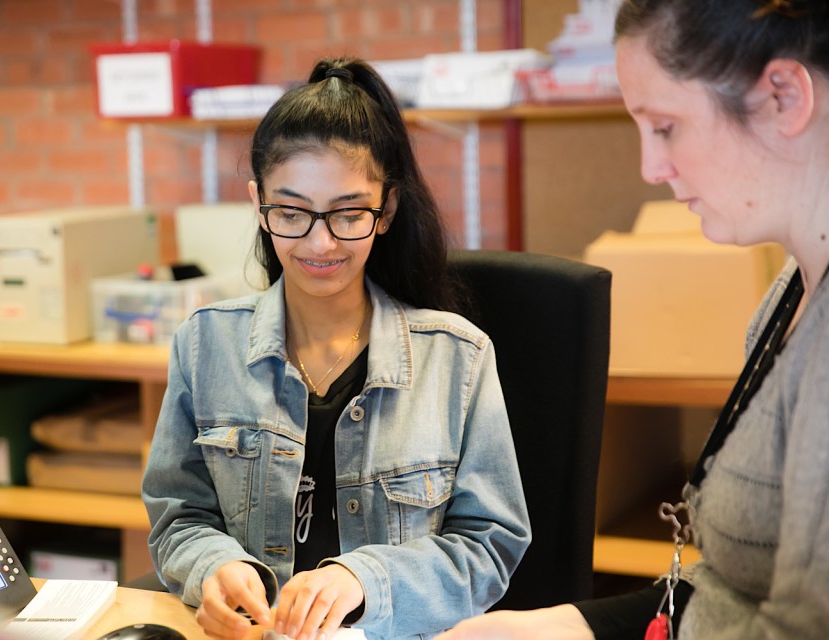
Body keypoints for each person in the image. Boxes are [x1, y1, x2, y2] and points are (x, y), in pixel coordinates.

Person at [434, 1, 829, 639]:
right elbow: (735, 586)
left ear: (784, 96)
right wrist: (563, 628)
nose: (651, 167)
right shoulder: (788, 293)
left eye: (665, 126)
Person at [142, 57, 531, 640]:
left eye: (348, 213)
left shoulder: (458, 358)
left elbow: (488, 547)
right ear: (258, 204)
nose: (320, 242)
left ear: (386, 210)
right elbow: (180, 515)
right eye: (292, 212)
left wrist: (365, 580)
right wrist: (214, 569)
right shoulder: (205, 344)